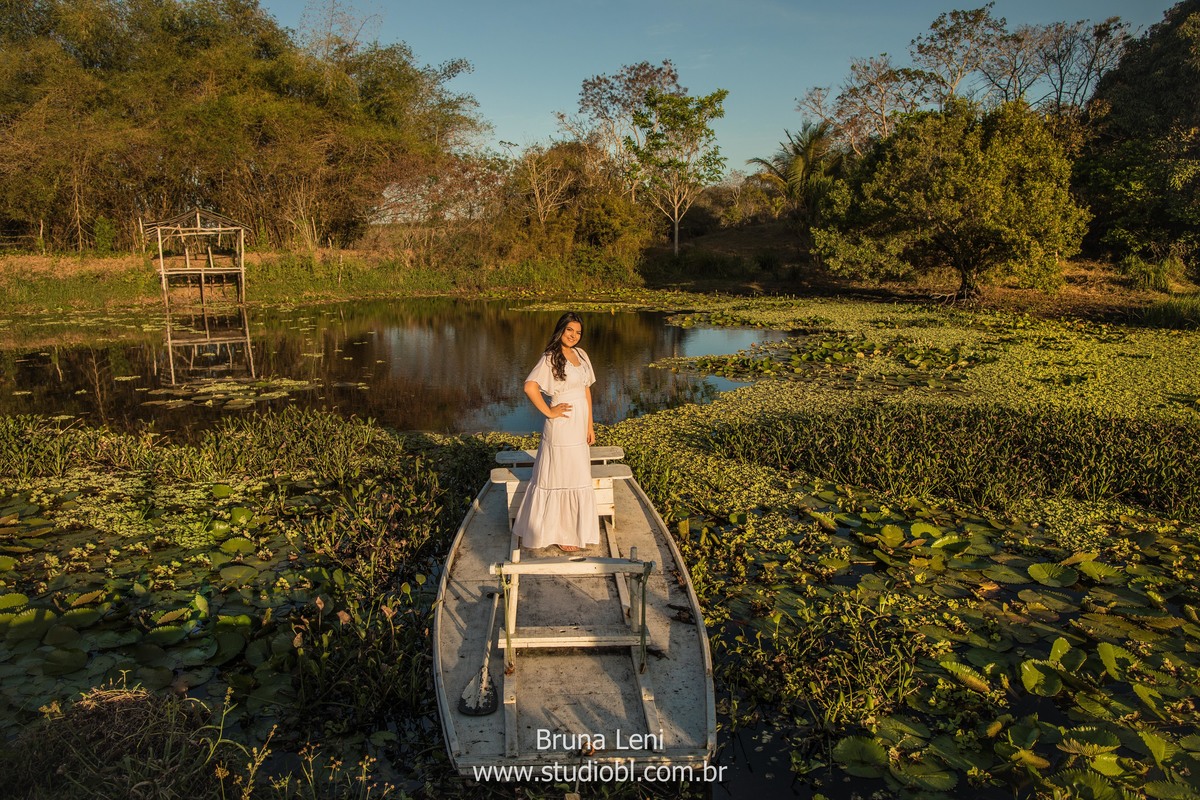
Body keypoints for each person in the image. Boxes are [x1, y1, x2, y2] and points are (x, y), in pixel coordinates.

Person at [512, 312, 599, 552]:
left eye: (578, 332)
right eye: (570, 330)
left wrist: (590, 425)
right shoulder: (550, 357)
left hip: (579, 424)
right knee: (560, 474)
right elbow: (530, 387)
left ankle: (574, 530)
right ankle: (560, 533)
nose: (574, 335)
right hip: (561, 425)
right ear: (561, 330)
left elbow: (586, 391)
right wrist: (549, 412)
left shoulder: (582, 355)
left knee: (578, 474)